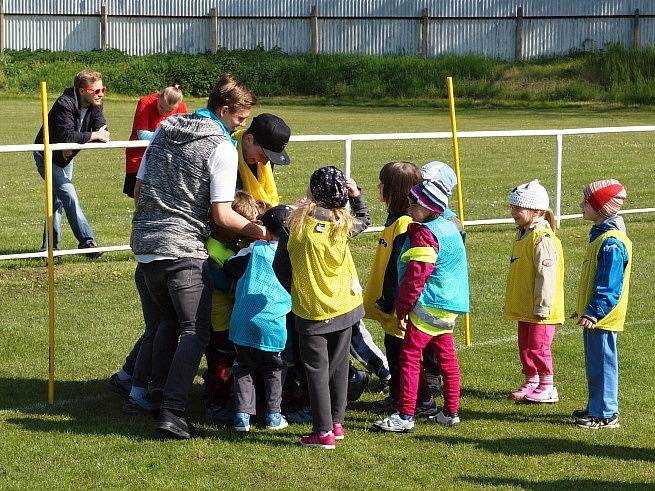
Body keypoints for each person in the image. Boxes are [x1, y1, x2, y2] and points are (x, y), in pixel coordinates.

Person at [131, 73, 266, 440]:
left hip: (145, 246)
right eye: (239, 119)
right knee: (194, 331)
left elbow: (139, 187)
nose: (241, 127)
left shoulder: (164, 130)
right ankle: (173, 412)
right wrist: (260, 229)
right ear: (224, 111)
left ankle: (157, 396)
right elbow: (222, 215)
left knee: (165, 323)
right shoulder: (220, 148)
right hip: (183, 250)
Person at [274, 166, 370, 449]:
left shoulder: (296, 226)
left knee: (315, 370)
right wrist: (357, 196)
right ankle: (337, 423)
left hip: (312, 309)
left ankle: (323, 431)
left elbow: (280, 267)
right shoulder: (342, 225)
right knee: (339, 364)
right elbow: (363, 219)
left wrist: (295, 288)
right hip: (346, 305)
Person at [374, 176, 469, 432]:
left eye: (413, 204)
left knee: (409, 358)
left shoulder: (426, 234)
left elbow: (416, 276)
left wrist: (402, 307)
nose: (409, 208)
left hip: (429, 305)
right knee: (447, 359)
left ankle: (405, 415)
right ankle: (450, 412)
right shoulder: (449, 226)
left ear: (428, 207)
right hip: (451, 305)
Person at [224, 204, 294, 432]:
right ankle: (274, 415)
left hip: (243, 322)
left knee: (243, 367)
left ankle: (242, 417)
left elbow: (229, 266)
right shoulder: (291, 255)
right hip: (274, 323)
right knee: (274, 369)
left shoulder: (252, 250)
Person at [204, 192, 268, 424]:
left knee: (228, 360)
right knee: (220, 362)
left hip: (230, 318)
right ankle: (215, 404)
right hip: (218, 321)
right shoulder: (212, 250)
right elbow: (221, 283)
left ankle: (224, 395)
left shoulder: (229, 245)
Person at [572, 179, 631, 429]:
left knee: (604, 364)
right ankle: (596, 405)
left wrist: (595, 311)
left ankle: (606, 414)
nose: (582, 205)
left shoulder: (612, 242)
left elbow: (609, 284)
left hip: (604, 317)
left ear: (602, 207)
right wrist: (585, 307)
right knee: (595, 363)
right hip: (595, 314)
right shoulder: (600, 236)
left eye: (588, 202)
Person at [34, 69, 110, 255]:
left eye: (103, 89)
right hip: (47, 155)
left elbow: (102, 129)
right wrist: (93, 135)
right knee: (69, 194)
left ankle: (49, 248)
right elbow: (68, 136)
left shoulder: (95, 103)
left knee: (58, 201)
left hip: (67, 156)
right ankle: (88, 242)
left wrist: (86, 138)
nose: (101, 94)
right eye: (96, 91)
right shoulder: (64, 103)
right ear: (83, 90)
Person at [504, 180, 565, 403]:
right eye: (512, 208)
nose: (513, 212)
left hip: (541, 310)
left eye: (518, 208)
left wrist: (543, 306)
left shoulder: (542, 239)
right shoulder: (524, 235)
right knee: (526, 347)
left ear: (536, 211)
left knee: (539, 347)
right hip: (525, 307)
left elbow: (546, 277)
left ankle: (548, 386)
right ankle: (532, 380)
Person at [124, 85, 188, 198]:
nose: (163, 112)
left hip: (166, 159)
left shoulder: (182, 107)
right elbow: (142, 134)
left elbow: (183, 134)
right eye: (161, 107)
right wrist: (169, 136)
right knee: (140, 197)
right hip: (139, 157)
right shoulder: (145, 102)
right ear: (158, 97)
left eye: (169, 110)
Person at [233, 113, 292, 205]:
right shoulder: (227, 156)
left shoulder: (263, 161)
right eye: (263, 156)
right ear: (249, 139)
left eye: (269, 159)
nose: (265, 163)